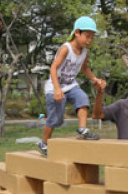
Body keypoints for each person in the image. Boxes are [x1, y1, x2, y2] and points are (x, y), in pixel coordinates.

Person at [38, 16, 106, 157]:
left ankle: (82, 130)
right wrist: (57, 89)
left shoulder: (85, 52)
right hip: (54, 86)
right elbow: (53, 68)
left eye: (92, 37)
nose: (89, 40)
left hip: (70, 85)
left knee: (82, 99)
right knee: (55, 120)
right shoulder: (65, 48)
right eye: (87, 36)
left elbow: (85, 68)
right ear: (77, 33)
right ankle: (43, 143)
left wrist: (94, 79)